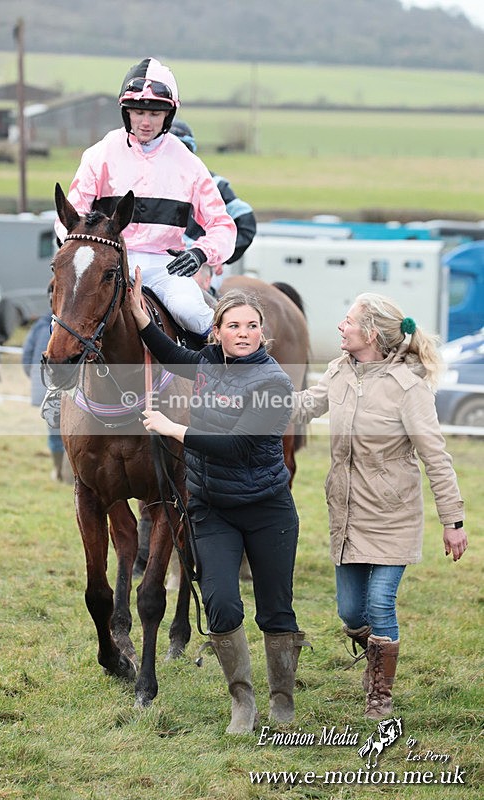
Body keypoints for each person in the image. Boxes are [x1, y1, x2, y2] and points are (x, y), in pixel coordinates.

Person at [128, 266, 308, 734]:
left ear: (263, 333)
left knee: (275, 608)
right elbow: (170, 353)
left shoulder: (274, 382)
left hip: (268, 511)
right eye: (234, 325)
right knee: (222, 605)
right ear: (217, 332)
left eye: (252, 326)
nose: (243, 333)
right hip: (213, 509)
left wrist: (174, 429)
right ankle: (242, 702)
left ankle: (282, 701)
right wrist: (140, 317)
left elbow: (240, 445)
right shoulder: (207, 362)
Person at [292, 293, 468, 720]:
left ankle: (379, 694)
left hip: (393, 515)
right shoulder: (337, 372)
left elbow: (435, 456)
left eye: (348, 320)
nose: (340, 326)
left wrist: (454, 520)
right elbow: (302, 408)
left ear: (370, 333)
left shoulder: (409, 388)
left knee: (380, 603)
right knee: (350, 612)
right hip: (347, 513)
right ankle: (376, 651)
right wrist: (252, 392)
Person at [54, 57, 236, 342]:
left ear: (168, 116)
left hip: (165, 267)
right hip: (106, 264)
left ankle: (214, 381)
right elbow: (69, 216)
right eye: (138, 112)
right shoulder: (99, 154)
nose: (145, 122)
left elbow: (223, 227)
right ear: (127, 112)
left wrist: (199, 253)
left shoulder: (189, 164)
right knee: (62, 321)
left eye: (155, 114)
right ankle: (59, 387)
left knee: (193, 313)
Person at [170, 118, 257, 293]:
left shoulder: (214, 183)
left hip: (201, 264)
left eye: (182, 150)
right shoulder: (144, 182)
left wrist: (218, 257)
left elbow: (246, 221)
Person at [22, 287, 72, 483]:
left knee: (54, 429)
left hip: (46, 387)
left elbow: (27, 357)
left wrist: (36, 378)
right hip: (69, 387)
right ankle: (68, 474)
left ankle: (58, 471)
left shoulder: (40, 326)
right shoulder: (72, 326)